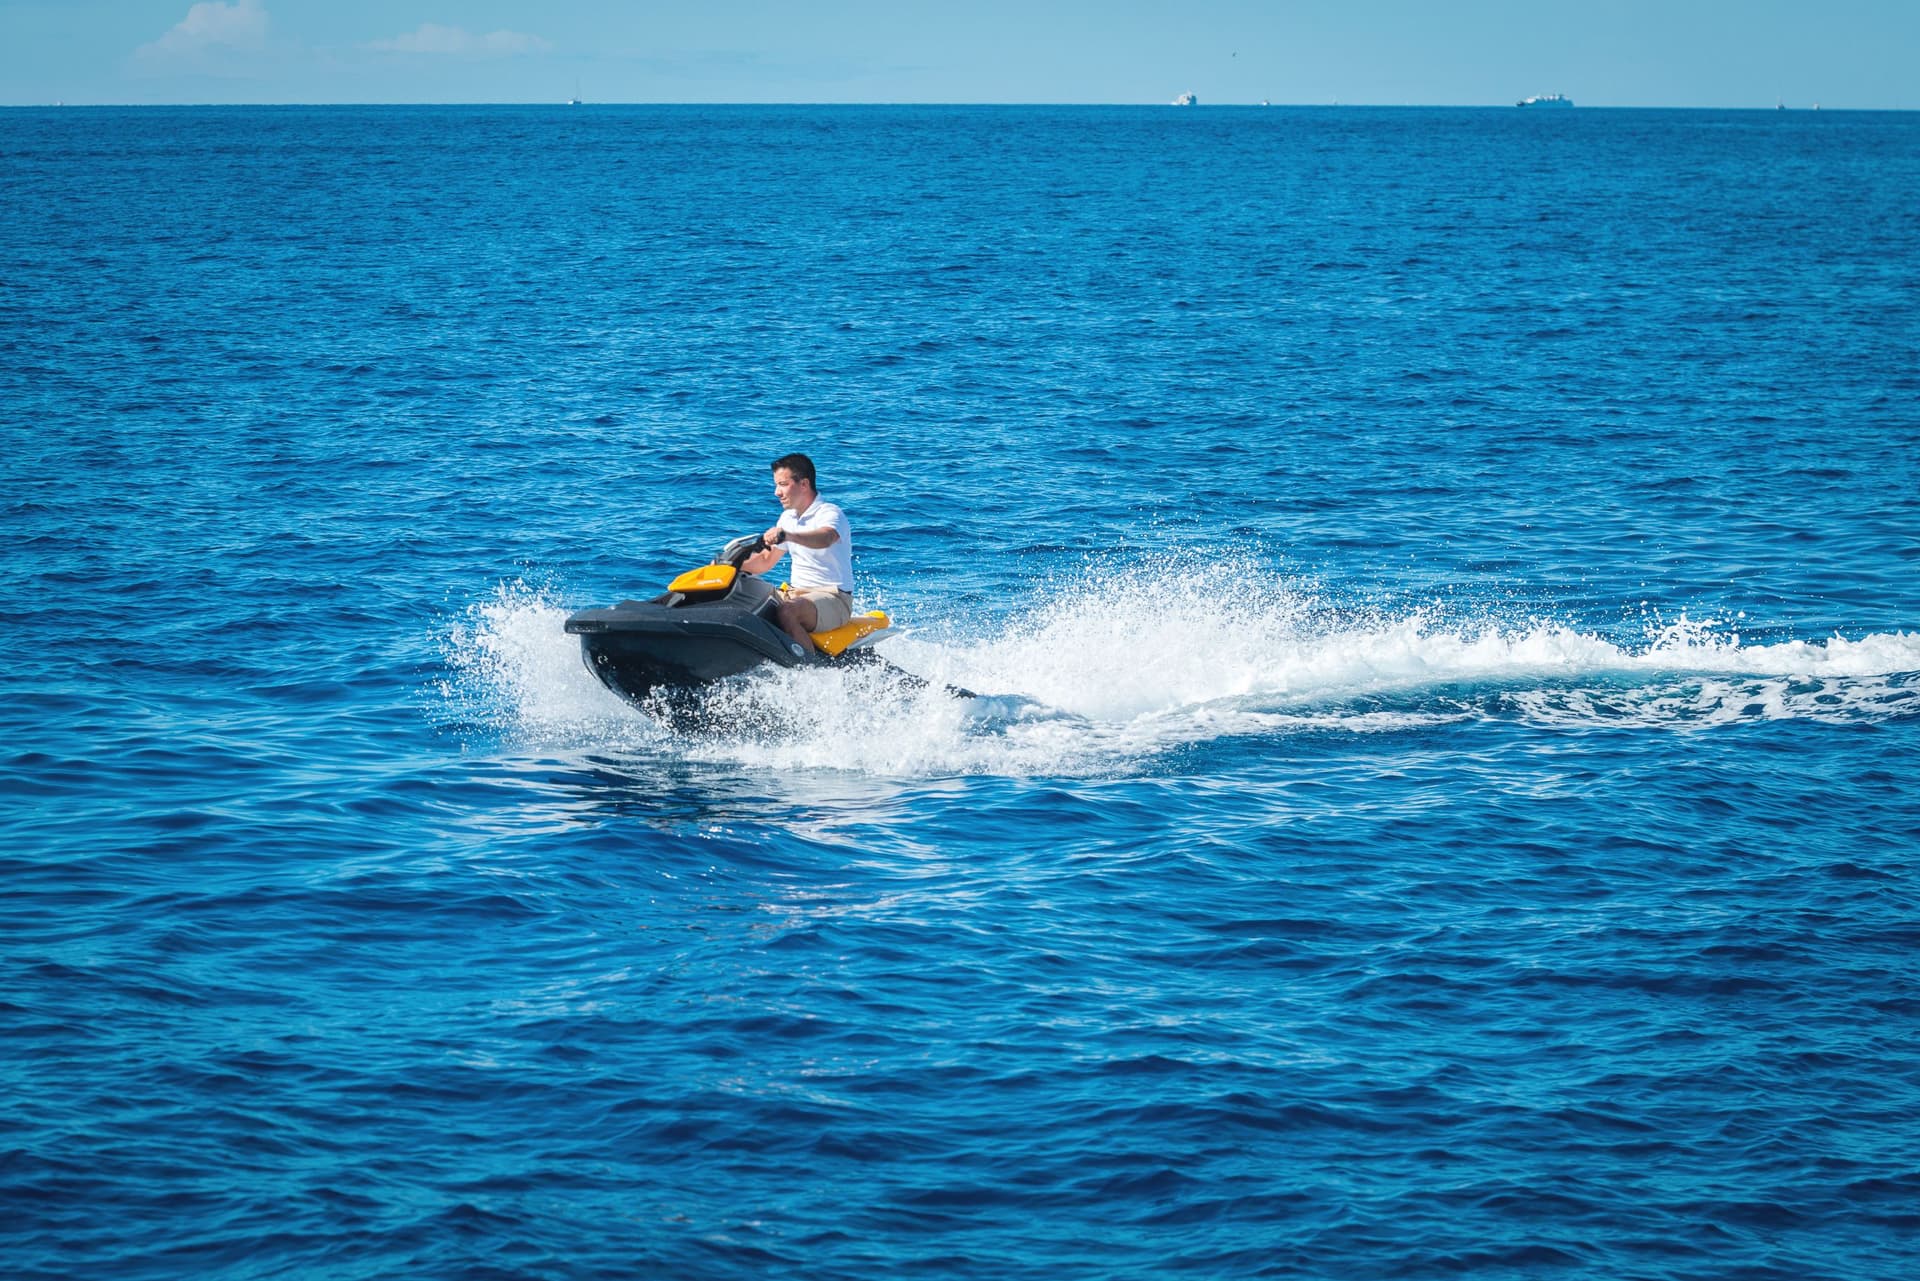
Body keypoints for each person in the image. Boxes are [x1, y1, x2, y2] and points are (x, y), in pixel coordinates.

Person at [741, 453, 854, 651]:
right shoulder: (787, 518)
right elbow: (766, 561)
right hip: (796, 594)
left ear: (803, 484)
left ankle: (809, 672)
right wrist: (730, 566)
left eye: (783, 484)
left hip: (834, 598)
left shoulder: (830, 513)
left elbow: (825, 538)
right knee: (748, 597)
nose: (777, 492)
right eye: (776, 485)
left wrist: (789, 536)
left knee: (787, 612)